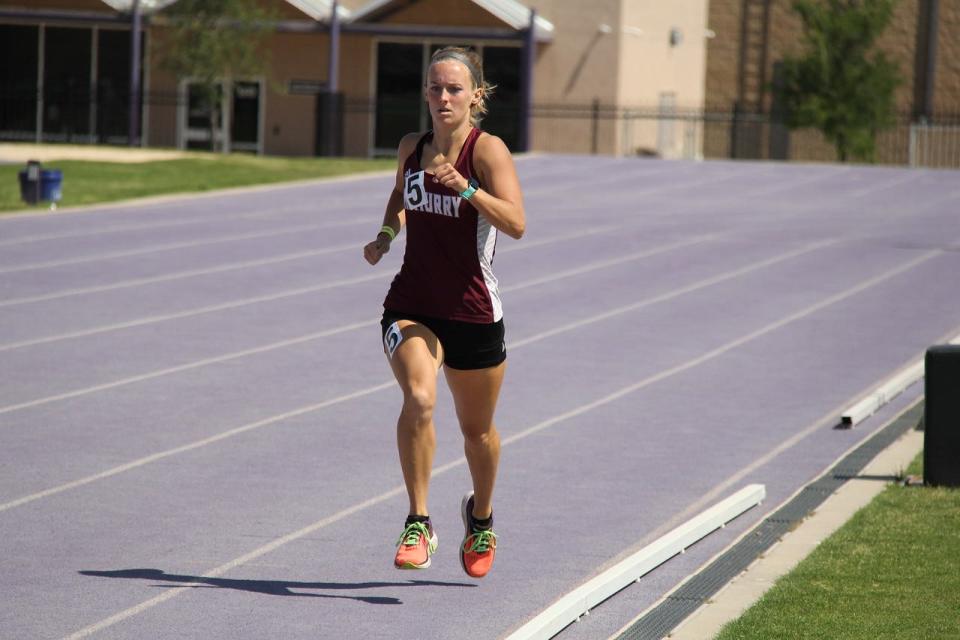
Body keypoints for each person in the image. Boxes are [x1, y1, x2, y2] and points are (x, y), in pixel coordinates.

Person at [363, 46, 525, 579]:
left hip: (474, 312)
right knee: (419, 397)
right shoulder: (412, 146)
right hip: (411, 305)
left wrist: (469, 188)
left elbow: (517, 224)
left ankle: (480, 518)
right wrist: (387, 235)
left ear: (476, 95)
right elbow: (399, 196)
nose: (442, 97)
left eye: (454, 88)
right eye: (435, 87)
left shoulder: (487, 150)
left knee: (477, 433)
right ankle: (418, 521)